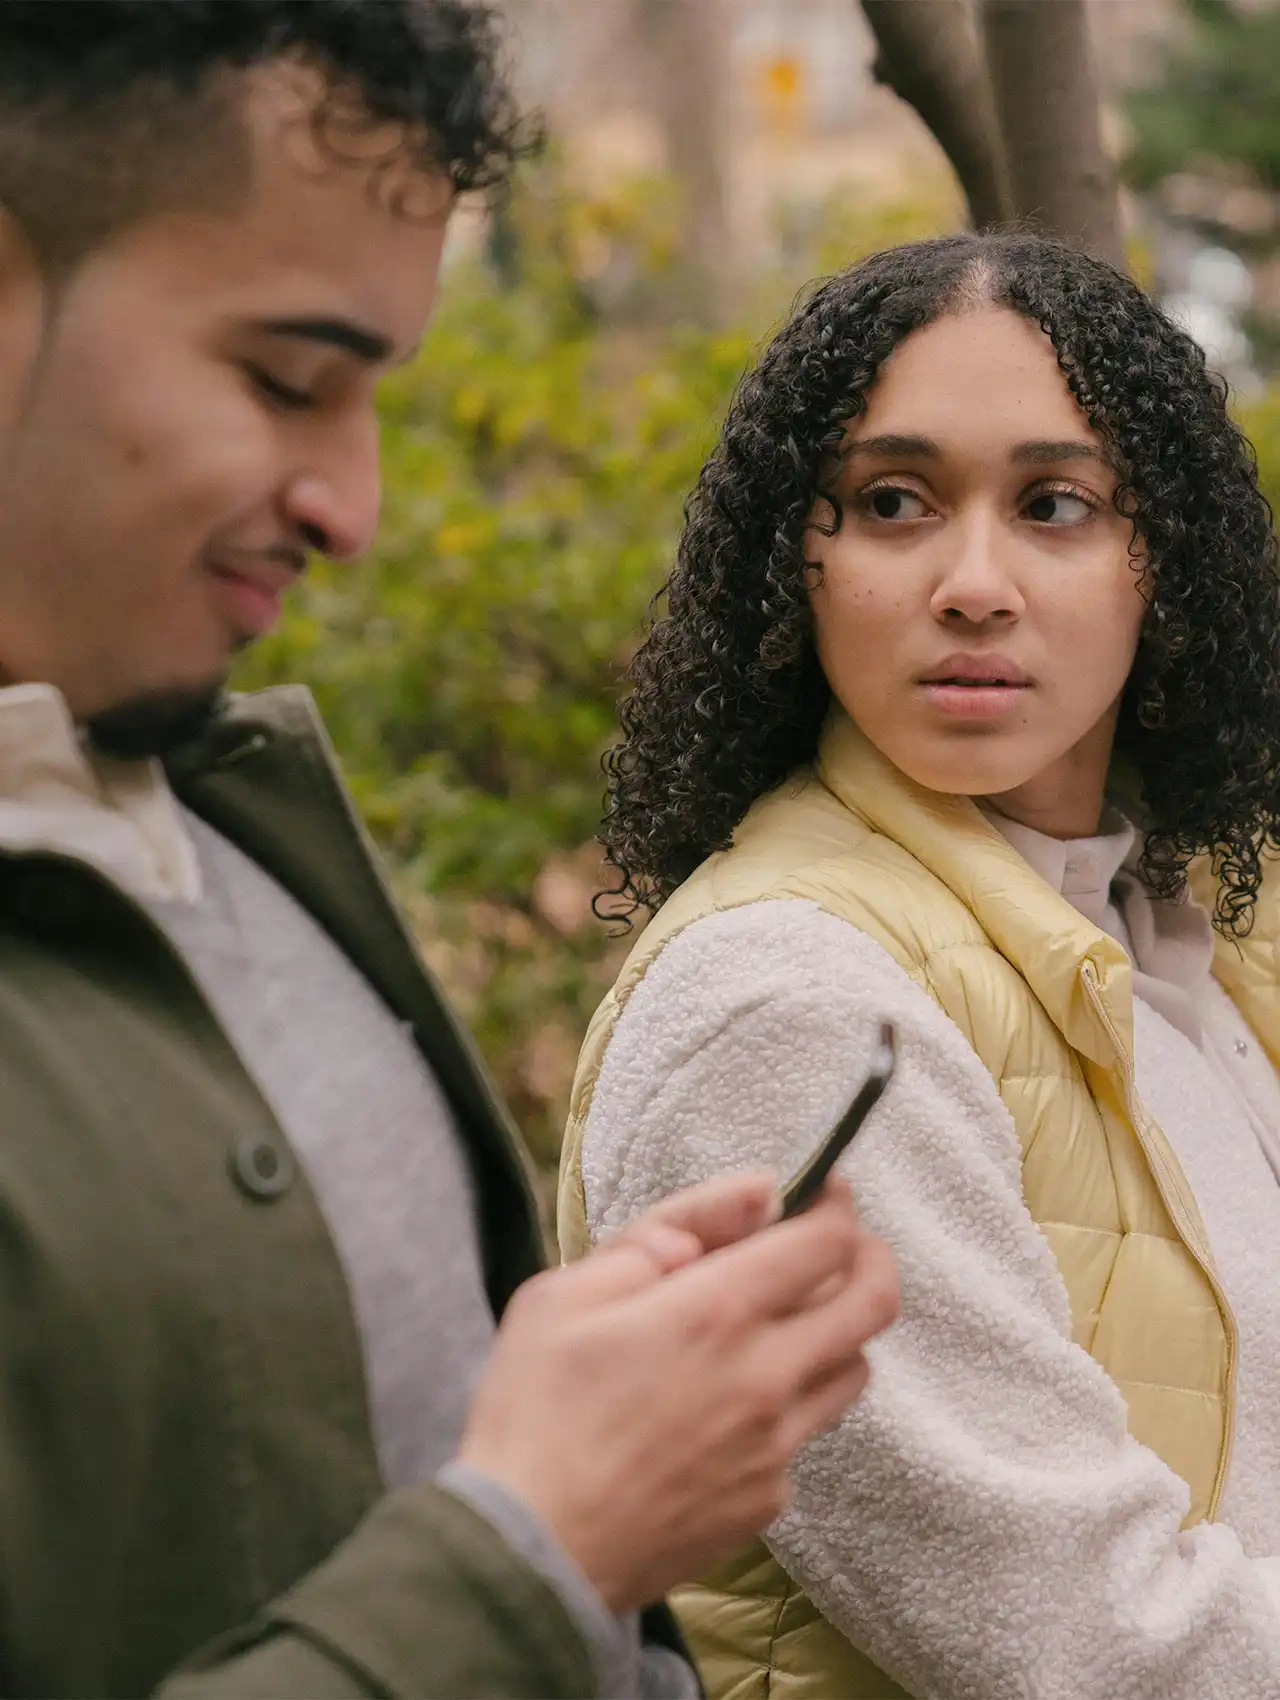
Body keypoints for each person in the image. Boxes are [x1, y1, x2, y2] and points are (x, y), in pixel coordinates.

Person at [0, 5, 902, 1697]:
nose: (356, 505)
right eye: (283, 380)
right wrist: (537, 1547)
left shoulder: (207, 804)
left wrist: (540, 1368)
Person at [559, 230, 1280, 1699]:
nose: (973, 583)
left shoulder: (1187, 948)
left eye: (1056, 505)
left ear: (1168, 567)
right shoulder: (789, 1001)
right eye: (894, 502)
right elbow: (1082, 1636)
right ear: (794, 566)